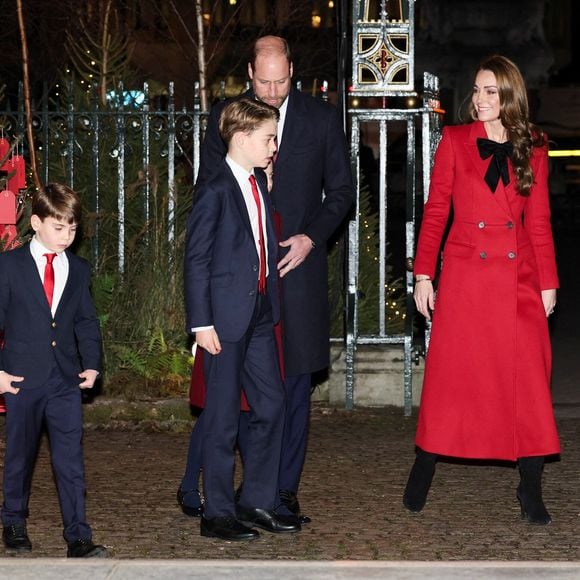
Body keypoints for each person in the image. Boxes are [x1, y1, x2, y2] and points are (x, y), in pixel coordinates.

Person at [193, 35, 353, 523]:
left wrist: (310, 238)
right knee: (240, 393)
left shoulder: (321, 119)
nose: (273, 90)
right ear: (249, 72)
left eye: (281, 80)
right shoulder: (227, 117)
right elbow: (208, 192)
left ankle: (281, 492)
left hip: (297, 274)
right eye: (264, 81)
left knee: (292, 389)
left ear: (292, 71)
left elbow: (341, 192)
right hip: (243, 277)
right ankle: (243, 491)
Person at [404, 55, 560, 525]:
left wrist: (549, 282)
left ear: (510, 95)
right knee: (452, 383)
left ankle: (530, 486)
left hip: (519, 283)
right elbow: (435, 213)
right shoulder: (453, 141)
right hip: (469, 279)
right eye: (476, 90)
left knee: (529, 386)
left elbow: (540, 222)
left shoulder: (533, 146)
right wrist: (424, 274)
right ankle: (424, 466)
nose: (479, 99)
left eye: (490, 91)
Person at [184, 97, 301, 541]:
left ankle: (255, 500)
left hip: (258, 316)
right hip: (223, 321)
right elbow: (195, 260)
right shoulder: (215, 189)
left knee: (273, 405)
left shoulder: (256, 183)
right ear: (241, 137)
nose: (275, 145)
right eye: (269, 137)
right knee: (222, 418)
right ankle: (216, 514)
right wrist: (201, 323)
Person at [0, 183, 107, 556]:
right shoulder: (9, 266)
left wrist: (92, 364)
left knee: (70, 460)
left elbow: (86, 321)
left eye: (73, 229)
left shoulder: (78, 269)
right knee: (20, 455)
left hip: (65, 379)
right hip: (21, 378)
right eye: (58, 227)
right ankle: (13, 521)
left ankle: (78, 534)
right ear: (36, 223)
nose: (66, 236)